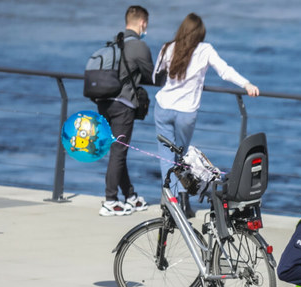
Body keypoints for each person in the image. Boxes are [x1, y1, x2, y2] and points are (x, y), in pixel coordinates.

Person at [153, 13, 260, 174]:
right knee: (182, 157)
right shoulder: (205, 50)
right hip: (186, 112)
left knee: (166, 157)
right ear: (200, 33)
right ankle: (180, 196)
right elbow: (225, 71)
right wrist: (246, 84)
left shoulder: (168, 47)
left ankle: (170, 197)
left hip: (163, 107)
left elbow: (156, 75)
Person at [97, 5, 156, 218]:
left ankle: (130, 195)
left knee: (117, 152)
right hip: (123, 106)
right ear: (143, 23)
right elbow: (153, 76)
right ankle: (110, 201)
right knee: (119, 152)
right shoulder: (139, 46)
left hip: (104, 103)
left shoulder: (114, 42)